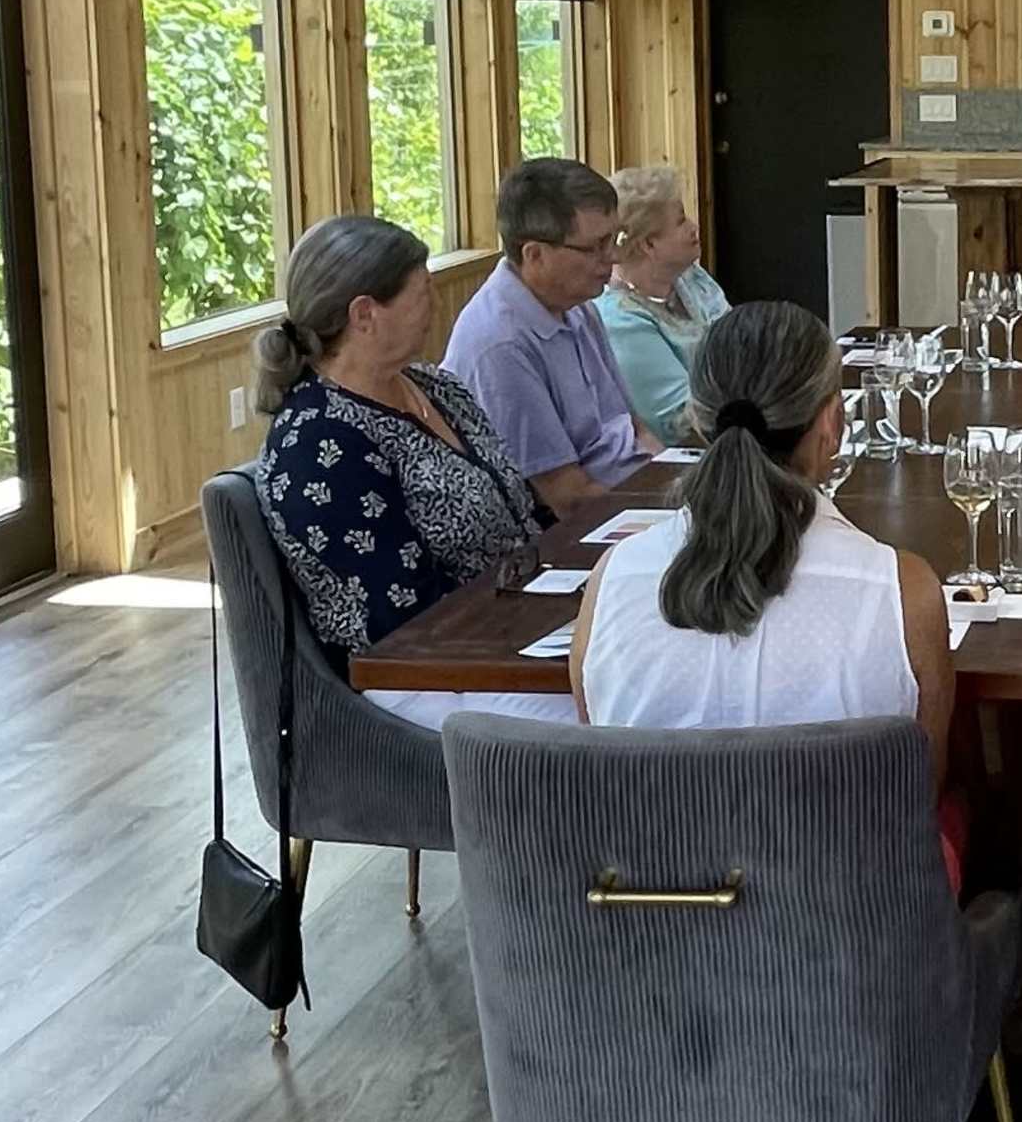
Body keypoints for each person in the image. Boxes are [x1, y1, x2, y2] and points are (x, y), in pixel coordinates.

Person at [566, 298, 956, 802]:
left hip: (650, 876)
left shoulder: (613, 581)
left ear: (699, 420)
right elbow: (922, 788)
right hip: (843, 879)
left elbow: (596, 744)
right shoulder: (903, 591)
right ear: (832, 425)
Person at [251, 211, 546, 726]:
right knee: (611, 717)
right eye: (422, 292)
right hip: (423, 674)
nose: (436, 305)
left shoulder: (435, 386)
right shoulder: (321, 444)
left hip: (507, 632)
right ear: (365, 314)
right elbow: (404, 614)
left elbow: (525, 506)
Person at [437, 158, 654, 499]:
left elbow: (634, 427)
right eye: (595, 246)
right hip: (578, 528)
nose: (612, 256)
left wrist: (677, 482)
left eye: (614, 239)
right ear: (535, 255)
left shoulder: (578, 303)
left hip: (633, 492)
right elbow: (567, 498)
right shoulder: (499, 345)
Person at [595, 165, 729, 438]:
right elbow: (681, 421)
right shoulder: (619, 321)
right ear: (648, 244)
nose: (694, 227)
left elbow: (745, 344)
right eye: (681, 221)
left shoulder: (690, 277)